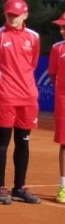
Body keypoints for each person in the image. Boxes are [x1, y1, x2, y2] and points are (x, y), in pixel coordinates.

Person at [0, 0, 41, 205]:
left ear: (25, 15)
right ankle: (0, 187)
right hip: (6, 97)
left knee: (23, 142)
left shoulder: (34, 37)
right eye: (9, 15)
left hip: (28, 98)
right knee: (3, 141)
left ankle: (19, 187)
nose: (12, 18)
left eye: (16, 15)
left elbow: (32, 64)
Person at [46, 12, 65, 204]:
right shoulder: (57, 49)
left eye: (64, 27)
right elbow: (52, 76)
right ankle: (63, 186)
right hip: (63, 101)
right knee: (64, 143)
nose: (61, 31)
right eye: (60, 27)